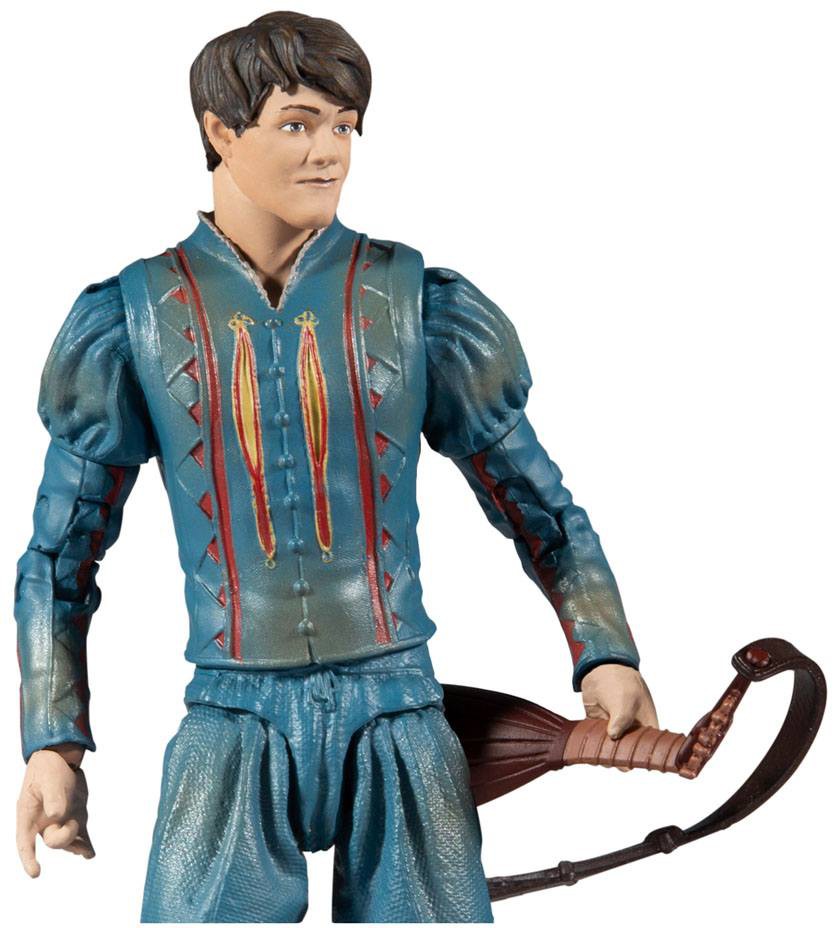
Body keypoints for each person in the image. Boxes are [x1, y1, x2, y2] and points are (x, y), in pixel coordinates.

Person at [14, 11, 658, 923]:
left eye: (345, 126)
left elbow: (538, 507)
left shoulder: (417, 304)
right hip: (231, 721)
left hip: (399, 714)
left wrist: (605, 651)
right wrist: (52, 741)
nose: (329, 152)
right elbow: (59, 556)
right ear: (220, 130)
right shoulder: (136, 317)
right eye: (298, 123)